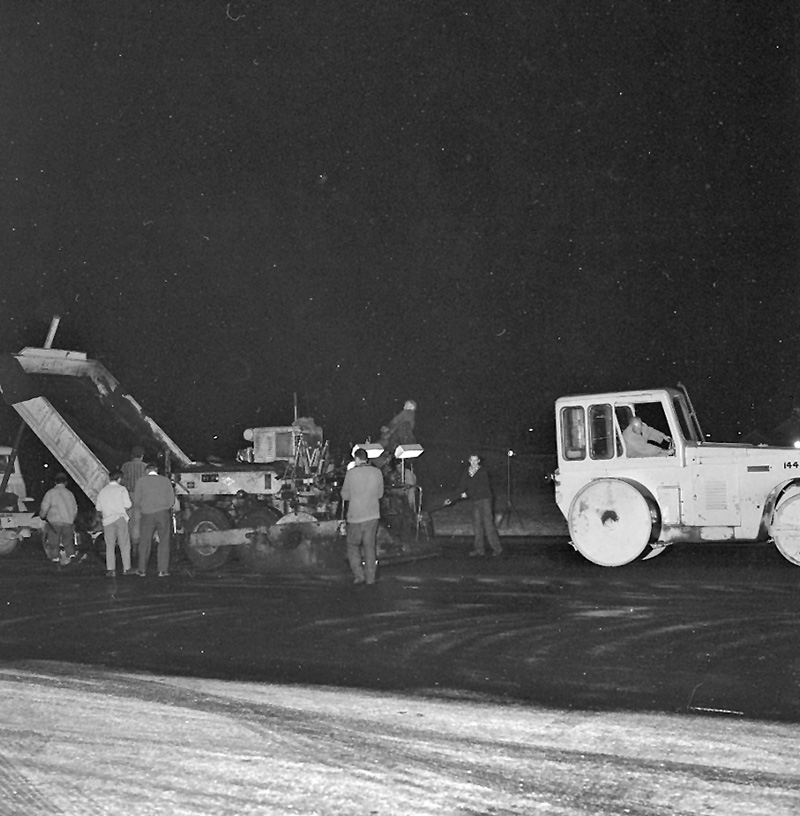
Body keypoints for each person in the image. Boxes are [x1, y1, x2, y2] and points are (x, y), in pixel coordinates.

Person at [340, 447, 384, 585]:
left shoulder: (351, 473)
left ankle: (359, 576)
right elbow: (380, 494)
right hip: (372, 514)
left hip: (355, 516)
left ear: (356, 459)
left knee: (353, 545)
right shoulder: (377, 472)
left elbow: (344, 495)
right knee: (369, 547)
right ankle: (370, 578)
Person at [446, 454, 502, 557]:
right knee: (477, 525)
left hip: (485, 500)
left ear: (479, 461)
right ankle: (479, 550)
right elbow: (461, 486)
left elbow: (479, 488)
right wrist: (452, 498)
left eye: (476, 460)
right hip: (475, 500)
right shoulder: (467, 472)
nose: (474, 463)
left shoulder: (483, 472)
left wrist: (467, 494)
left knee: (488, 525)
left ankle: (497, 549)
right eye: (472, 460)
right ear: (469, 460)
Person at [132, 463, 175, 577]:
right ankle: (162, 570)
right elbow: (171, 500)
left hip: (147, 514)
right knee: (164, 541)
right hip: (163, 514)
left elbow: (136, 500)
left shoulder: (141, 481)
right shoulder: (166, 481)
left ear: (147, 471)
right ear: (157, 470)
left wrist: (144, 507)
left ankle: (142, 570)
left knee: (145, 542)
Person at [95, 469, 134, 578]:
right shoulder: (122, 489)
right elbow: (128, 504)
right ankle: (127, 568)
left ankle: (111, 569)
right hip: (120, 518)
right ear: (119, 478)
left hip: (107, 520)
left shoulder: (103, 491)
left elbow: (98, 507)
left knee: (109, 545)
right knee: (124, 544)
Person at [39, 472, 78, 565]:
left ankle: (55, 558)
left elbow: (44, 507)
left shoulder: (50, 493)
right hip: (68, 522)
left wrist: (42, 516)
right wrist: (71, 520)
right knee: (68, 541)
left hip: (54, 523)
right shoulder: (70, 494)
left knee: (53, 542)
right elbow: (75, 509)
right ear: (66, 482)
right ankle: (71, 556)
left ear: (55, 482)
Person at [121, 445, 148, 556]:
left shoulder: (125, 466)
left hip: (127, 496)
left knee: (128, 521)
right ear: (142, 456)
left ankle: (129, 546)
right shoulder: (145, 467)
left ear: (132, 455)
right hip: (141, 497)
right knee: (138, 522)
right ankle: (137, 547)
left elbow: (122, 482)